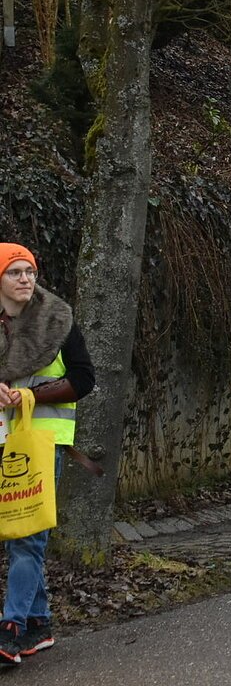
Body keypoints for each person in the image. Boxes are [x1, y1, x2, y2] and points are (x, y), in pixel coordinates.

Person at [0, 243, 94, 665]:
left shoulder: (58, 320)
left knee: (29, 536)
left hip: (43, 440)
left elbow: (84, 378)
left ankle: (11, 628)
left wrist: (31, 396)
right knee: (16, 534)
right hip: (4, 439)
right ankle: (39, 624)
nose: (25, 279)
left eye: (30, 271)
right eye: (15, 272)